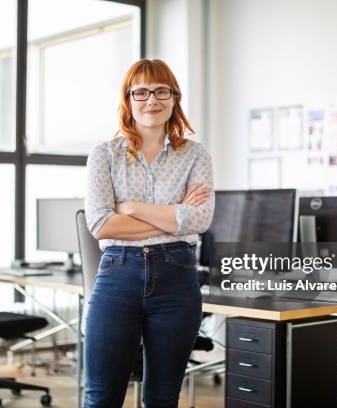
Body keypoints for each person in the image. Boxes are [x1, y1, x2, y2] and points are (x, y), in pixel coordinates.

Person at [83, 58, 215, 408]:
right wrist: (174, 214)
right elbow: (101, 225)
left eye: (161, 91)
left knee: (162, 397)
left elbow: (199, 219)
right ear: (128, 100)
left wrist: (132, 208)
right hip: (117, 275)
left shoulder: (195, 155)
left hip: (177, 278)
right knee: (100, 396)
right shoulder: (104, 155)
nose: (151, 100)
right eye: (140, 92)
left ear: (174, 98)